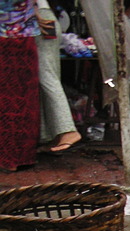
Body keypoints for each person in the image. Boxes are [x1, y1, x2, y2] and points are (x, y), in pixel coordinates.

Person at [36, 0, 82, 154]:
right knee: (46, 75)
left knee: (46, 76)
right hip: (42, 18)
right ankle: (51, 135)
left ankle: (67, 129)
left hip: (39, 19)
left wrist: (34, 15)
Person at [0, 0, 40, 171]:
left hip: (10, 38)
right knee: (24, 96)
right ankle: (20, 155)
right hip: (24, 36)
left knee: (13, 95)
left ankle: (10, 156)